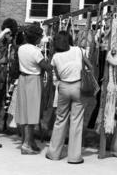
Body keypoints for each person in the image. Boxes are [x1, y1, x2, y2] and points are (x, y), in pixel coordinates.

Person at [46, 31, 90, 164]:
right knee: (76, 121)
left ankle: (53, 153)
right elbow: (89, 65)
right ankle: (74, 157)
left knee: (60, 119)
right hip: (78, 86)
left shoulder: (55, 57)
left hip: (64, 87)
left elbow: (56, 74)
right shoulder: (78, 50)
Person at [16, 23, 52, 154]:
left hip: (22, 79)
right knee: (32, 113)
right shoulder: (36, 52)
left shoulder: (21, 48)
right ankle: (26, 145)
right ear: (36, 38)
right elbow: (46, 67)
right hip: (33, 80)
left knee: (25, 111)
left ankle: (29, 140)